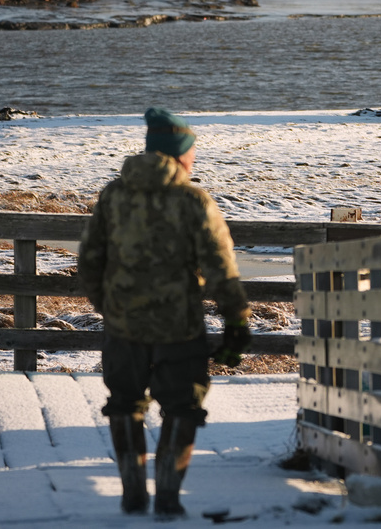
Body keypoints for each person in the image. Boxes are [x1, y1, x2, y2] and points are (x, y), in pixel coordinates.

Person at [78, 107, 252, 518]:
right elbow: (219, 266)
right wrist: (236, 319)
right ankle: (169, 501)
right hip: (179, 327)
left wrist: (109, 306)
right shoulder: (192, 200)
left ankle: (133, 495)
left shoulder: (114, 195)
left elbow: (89, 260)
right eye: (191, 153)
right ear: (179, 155)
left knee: (124, 403)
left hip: (123, 325)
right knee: (182, 406)